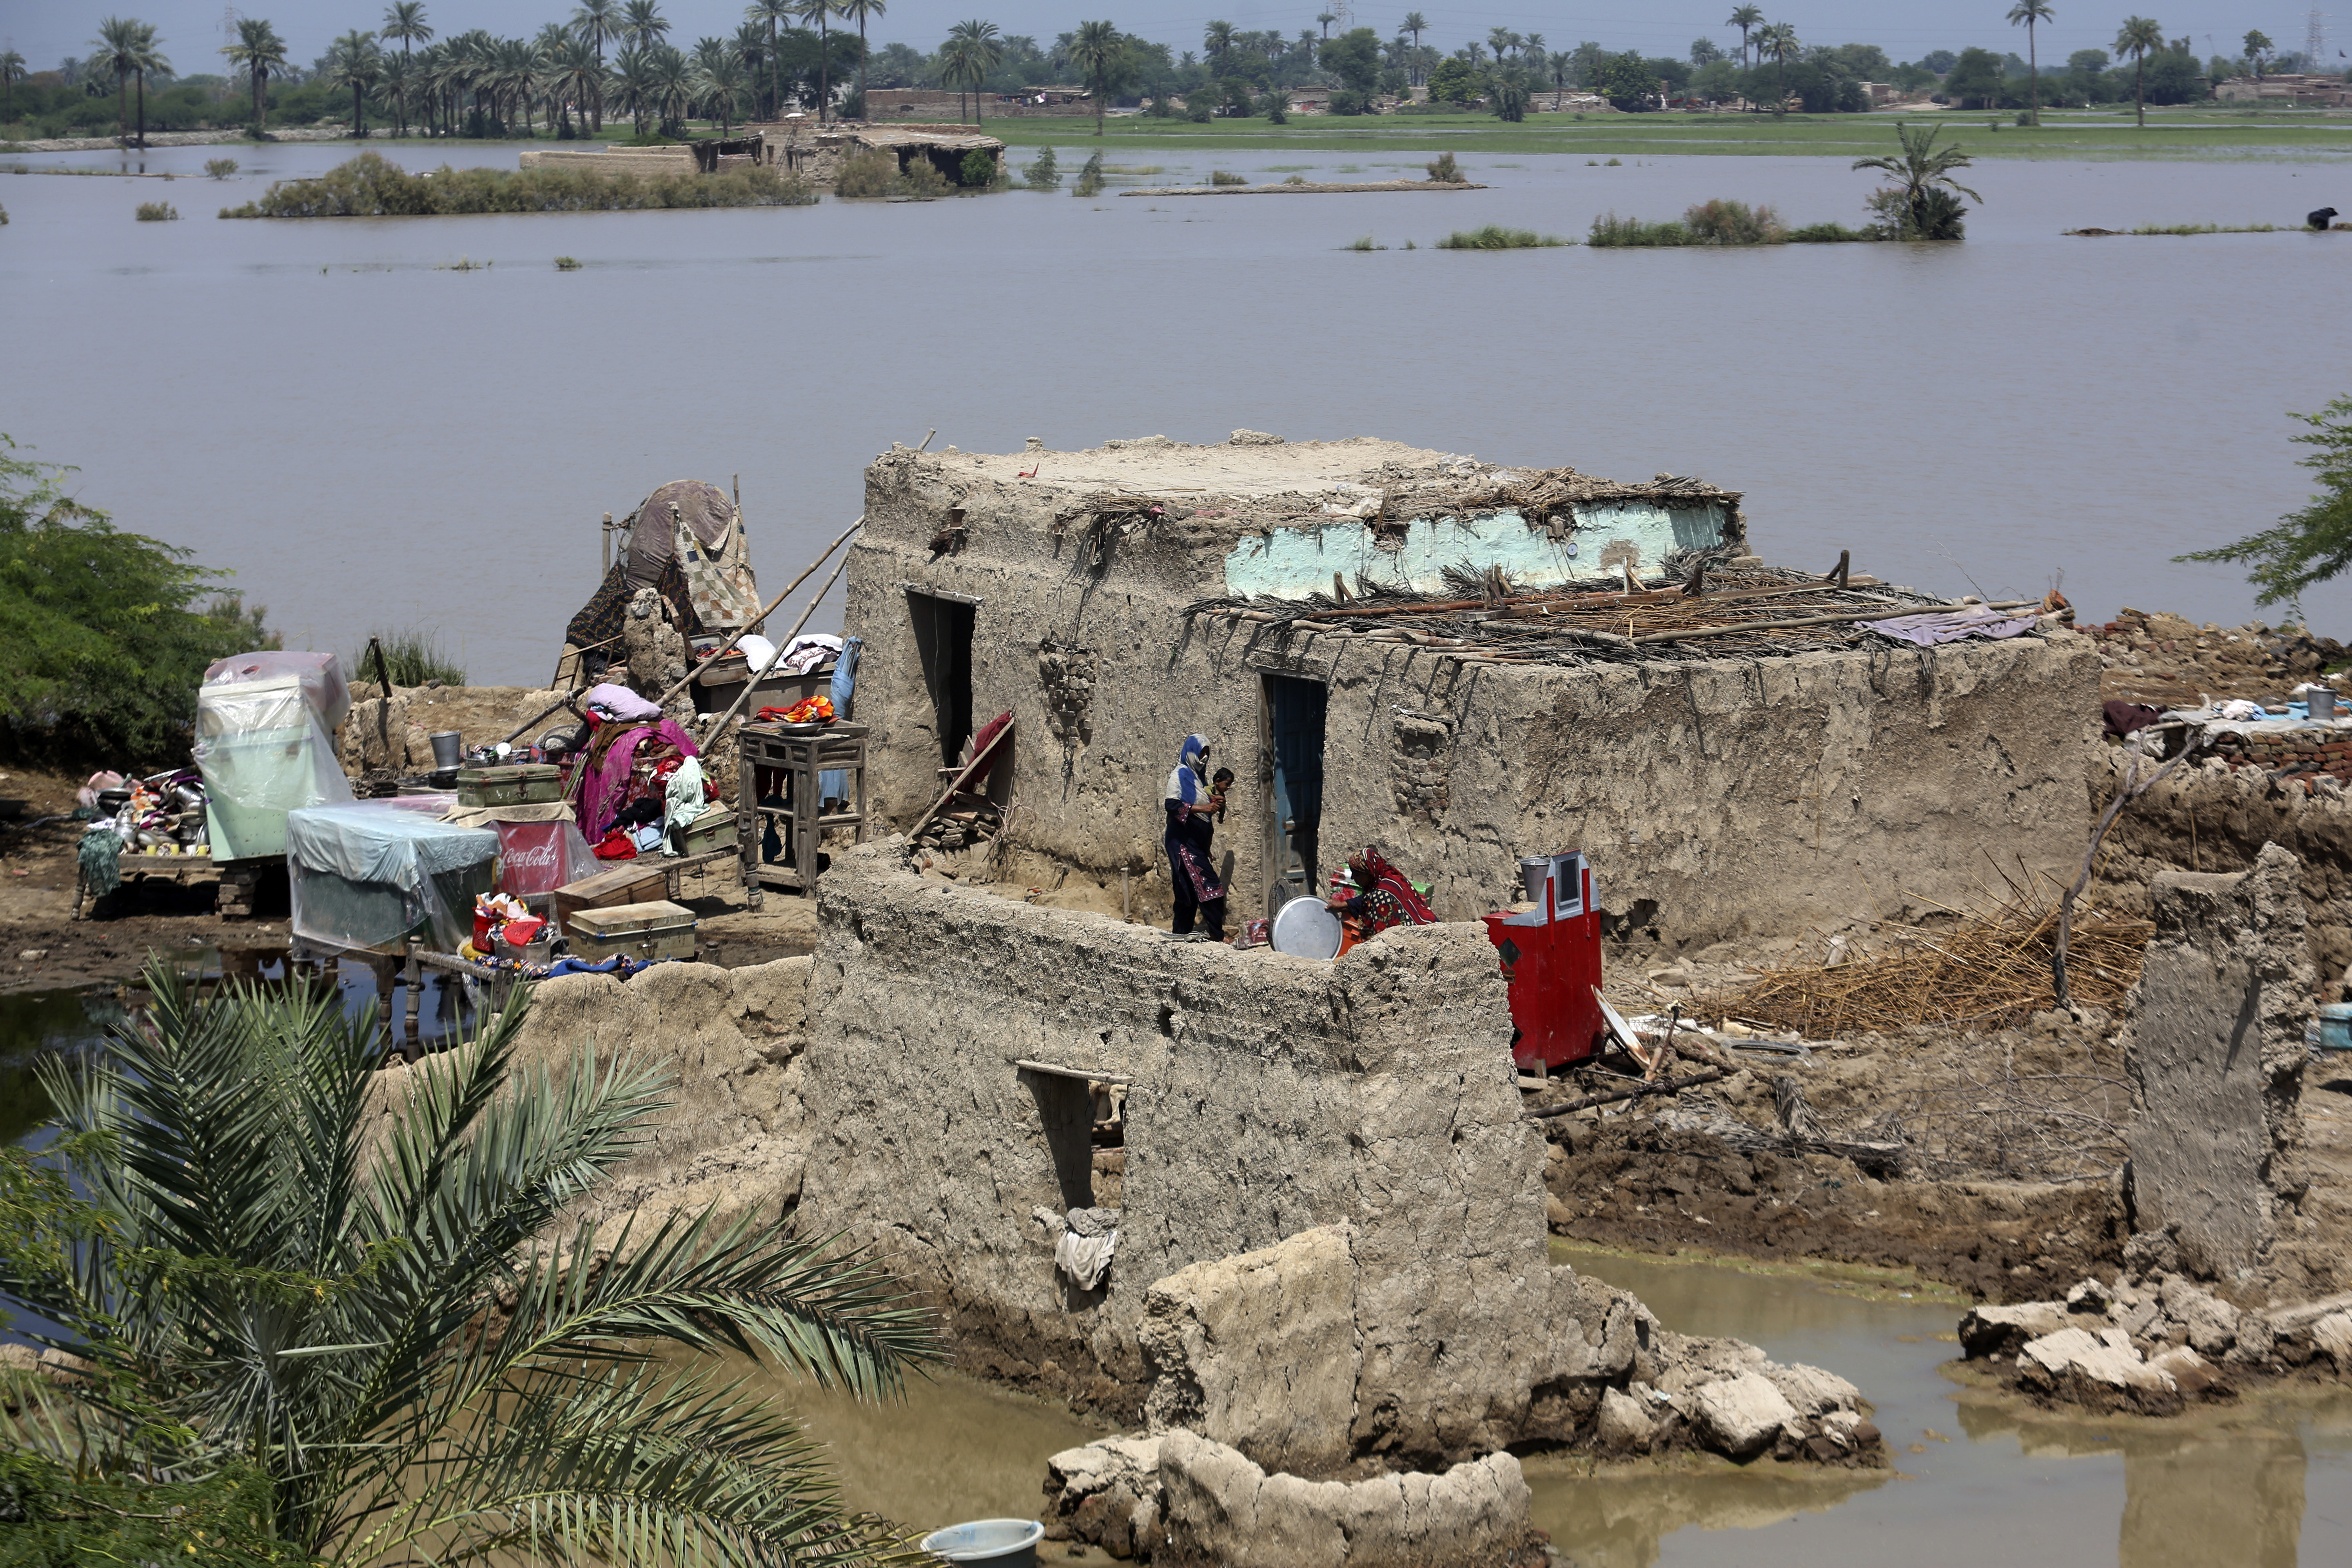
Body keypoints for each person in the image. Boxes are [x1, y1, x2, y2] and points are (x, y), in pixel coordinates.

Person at [1163, 734, 1229, 940]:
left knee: (1188, 892)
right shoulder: (1180, 775)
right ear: (1190, 753)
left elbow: (1200, 804)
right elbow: (1172, 805)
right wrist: (1206, 807)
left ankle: (1180, 936)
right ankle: (1217, 936)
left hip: (1196, 845)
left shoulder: (1199, 779)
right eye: (1201, 754)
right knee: (1211, 888)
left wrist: (1214, 802)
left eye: (1207, 755)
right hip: (1183, 843)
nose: (1204, 759)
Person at [1328, 844, 1436, 953]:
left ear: (1369, 873)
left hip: (1420, 945)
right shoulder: (1388, 876)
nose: (1353, 878)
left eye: (1356, 874)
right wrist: (1344, 905)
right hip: (1429, 927)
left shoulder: (1381, 896)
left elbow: (1382, 943)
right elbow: (1367, 899)